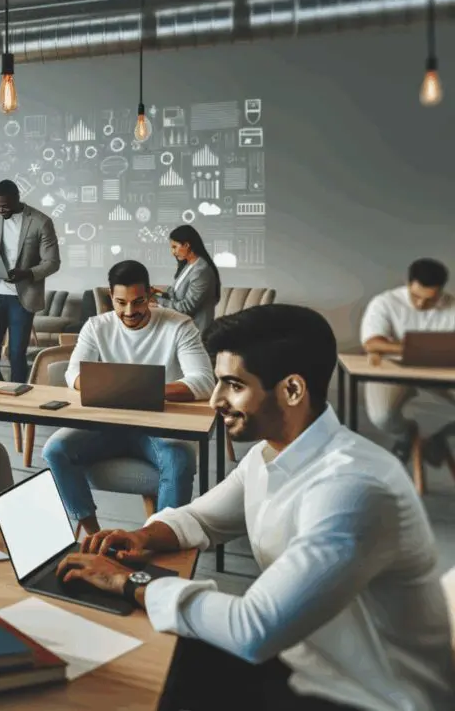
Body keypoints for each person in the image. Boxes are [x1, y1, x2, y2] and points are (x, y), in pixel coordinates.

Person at [55, 304, 454, 711]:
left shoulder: (353, 489)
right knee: (130, 667)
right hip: (299, 661)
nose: (215, 400)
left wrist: (129, 581)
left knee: (136, 682)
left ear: (292, 390)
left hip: (366, 696)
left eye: (233, 385)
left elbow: (252, 628)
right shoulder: (269, 455)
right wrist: (140, 536)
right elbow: (200, 518)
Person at [43, 260, 214, 536]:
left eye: (138, 302)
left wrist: (138, 391)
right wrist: (120, 389)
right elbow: (73, 374)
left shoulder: (179, 326)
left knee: (179, 459)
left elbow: (204, 381)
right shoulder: (96, 326)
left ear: (150, 295)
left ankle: (159, 540)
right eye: (120, 303)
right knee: (55, 450)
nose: (129, 311)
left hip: (159, 428)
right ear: (111, 296)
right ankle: (94, 533)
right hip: (106, 425)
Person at [360, 258, 455, 463]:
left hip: (440, 372)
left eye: (430, 299)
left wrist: (398, 344)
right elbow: (372, 344)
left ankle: (439, 438)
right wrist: (419, 348)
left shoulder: (452, 305)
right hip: (392, 371)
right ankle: (405, 436)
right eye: (416, 296)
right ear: (407, 283)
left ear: (441, 291)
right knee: (382, 416)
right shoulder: (384, 302)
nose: (421, 304)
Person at [0, 179, 60, 383]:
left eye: (5, 205)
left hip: (23, 299)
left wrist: (27, 273)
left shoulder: (40, 221)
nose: (0, 210)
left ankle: (19, 397)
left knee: (16, 354)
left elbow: (53, 262)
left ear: (17, 198)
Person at [153, 224, 221, 335]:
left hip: (196, 332)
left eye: (174, 247)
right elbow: (176, 295)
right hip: (182, 327)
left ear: (187, 245)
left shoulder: (201, 271)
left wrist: (157, 300)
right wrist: (158, 293)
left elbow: (186, 307)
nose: (172, 252)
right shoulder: (188, 265)